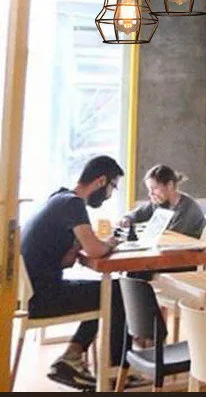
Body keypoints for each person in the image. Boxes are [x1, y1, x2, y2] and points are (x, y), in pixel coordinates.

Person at [21, 155, 129, 390]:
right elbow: (95, 250)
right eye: (113, 187)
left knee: (107, 290)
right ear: (101, 181)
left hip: (30, 294)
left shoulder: (59, 197)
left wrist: (81, 246)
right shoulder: (73, 204)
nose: (111, 194)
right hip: (42, 297)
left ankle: (72, 358)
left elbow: (67, 260)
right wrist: (111, 243)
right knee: (118, 293)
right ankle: (117, 372)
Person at [120, 164, 206, 239]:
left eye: (154, 188)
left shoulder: (187, 207)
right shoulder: (159, 203)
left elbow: (171, 236)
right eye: (149, 189)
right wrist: (127, 219)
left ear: (170, 185)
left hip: (190, 251)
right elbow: (137, 214)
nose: (150, 194)